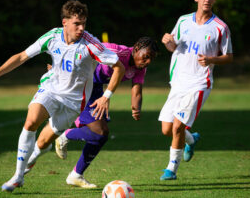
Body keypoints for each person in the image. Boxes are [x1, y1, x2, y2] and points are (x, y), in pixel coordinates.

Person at [0, 0, 125, 192]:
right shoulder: (52, 37)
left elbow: (119, 67)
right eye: (77, 23)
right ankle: (18, 177)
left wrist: (107, 96)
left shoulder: (90, 44)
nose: (81, 28)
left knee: (43, 142)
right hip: (51, 90)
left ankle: (33, 157)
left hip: (74, 103)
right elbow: (21, 56)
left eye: (84, 23)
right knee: (31, 121)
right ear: (65, 22)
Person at [24, 37, 159, 188]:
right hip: (79, 85)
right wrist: (61, 68)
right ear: (136, 48)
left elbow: (137, 91)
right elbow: (83, 50)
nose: (147, 62)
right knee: (100, 132)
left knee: (101, 135)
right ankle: (65, 136)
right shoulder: (116, 51)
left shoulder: (140, 69)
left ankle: (75, 175)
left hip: (96, 90)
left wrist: (136, 108)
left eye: (151, 59)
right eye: (146, 56)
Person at [158, 0, 233, 180]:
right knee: (167, 129)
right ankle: (191, 140)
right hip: (178, 82)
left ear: (214, 0)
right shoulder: (183, 21)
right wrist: (168, 43)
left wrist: (211, 59)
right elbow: (174, 47)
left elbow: (229, 56)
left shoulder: (220, 27)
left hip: (199, 83)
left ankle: (171, 170)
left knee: (177, 128)